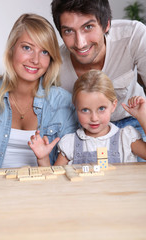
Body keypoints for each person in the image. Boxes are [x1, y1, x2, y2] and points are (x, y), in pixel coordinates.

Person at [51, 0, 146, 161]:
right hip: (81, 131)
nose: (80, 43)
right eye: (68, 31)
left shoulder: (133, 36)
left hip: (132, 123)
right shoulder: (54, 65)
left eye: (88, 27)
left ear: (106, 24)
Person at [0, 13, 78, 169]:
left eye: (44, 52)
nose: (35, 60)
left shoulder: (64, 104)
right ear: (11, 49)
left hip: (41, 190)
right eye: (27, 48)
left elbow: (65, 171)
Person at [29, 70, 146, 166]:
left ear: (113, 105)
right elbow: (54, 181)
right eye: (85, 110)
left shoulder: (126, 138)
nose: (94, 118)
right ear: (76, 107)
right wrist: (43, 158)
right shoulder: (70, 143)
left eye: (101, 108)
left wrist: (143, 117)